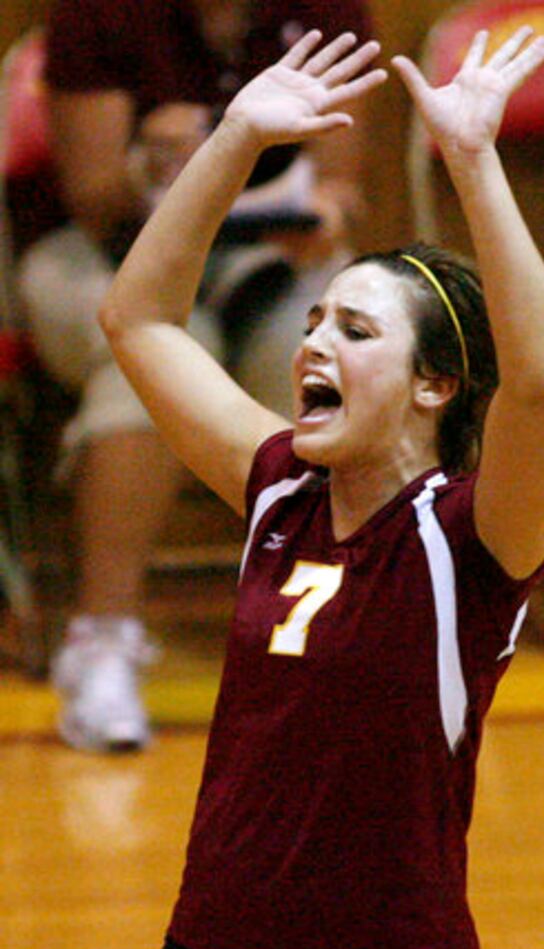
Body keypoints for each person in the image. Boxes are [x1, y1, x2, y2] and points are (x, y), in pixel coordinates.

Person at [99, 23, 544, 949]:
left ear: (435, 385)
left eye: (355, 330)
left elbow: (539, 383)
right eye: (315, 321)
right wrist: (235, 139)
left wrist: (473, 163)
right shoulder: (278, 488)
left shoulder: (474, 536)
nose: (313, 344)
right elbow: (138, 319)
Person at [13, 0, 374, 753]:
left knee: (333, 353)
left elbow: (342, 184)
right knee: (156, 359)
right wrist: (149, 162)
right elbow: (92, 200)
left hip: (265, 256)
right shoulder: (98, 13)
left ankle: (317, 635)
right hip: (102, 255)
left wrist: (328, 214)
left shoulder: (328, 6)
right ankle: (102, 643)